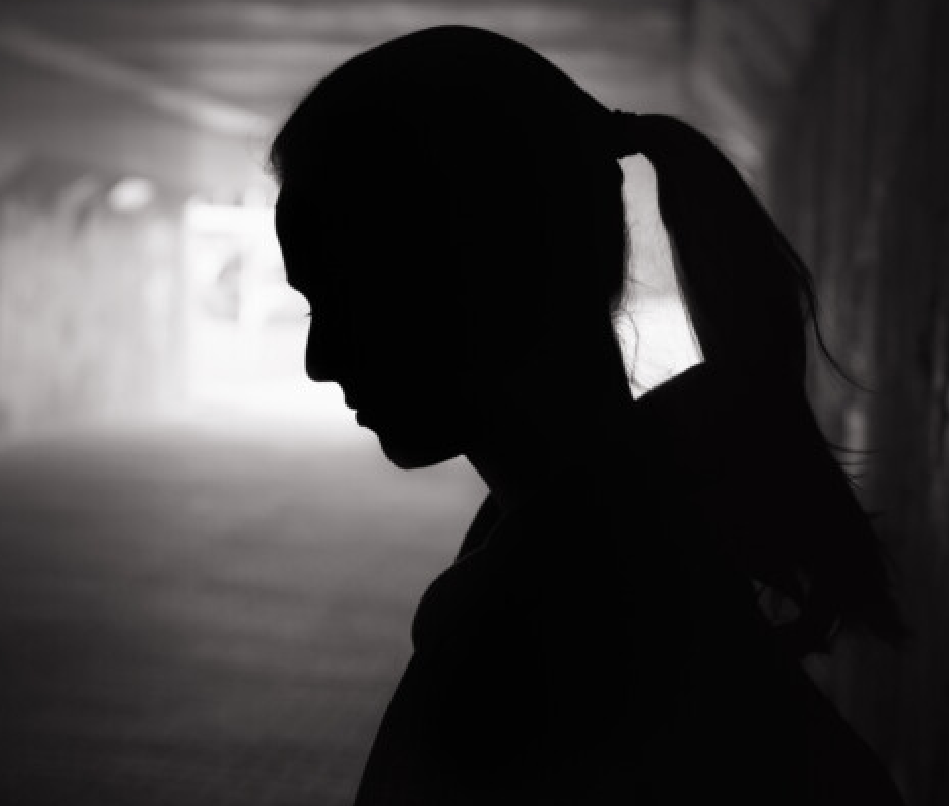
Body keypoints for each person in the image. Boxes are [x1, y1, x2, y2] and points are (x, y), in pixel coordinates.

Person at [270, 26, 906, 806]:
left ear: (479, 277)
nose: (319, 357)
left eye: (347, 299)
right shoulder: (641, 516)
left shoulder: (527, 623)